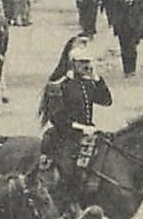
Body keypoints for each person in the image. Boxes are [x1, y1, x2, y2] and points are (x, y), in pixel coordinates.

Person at [39, 40, 113, 206]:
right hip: (65, 135)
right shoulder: (59, 85)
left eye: (88, 62)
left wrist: (97, 78)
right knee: (68, 170)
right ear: (73, 63)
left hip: (88, 134)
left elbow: (106, 100)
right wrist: (80, 127)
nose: (86, 66)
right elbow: (56, 117)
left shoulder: (88, 83)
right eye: (82, 62)